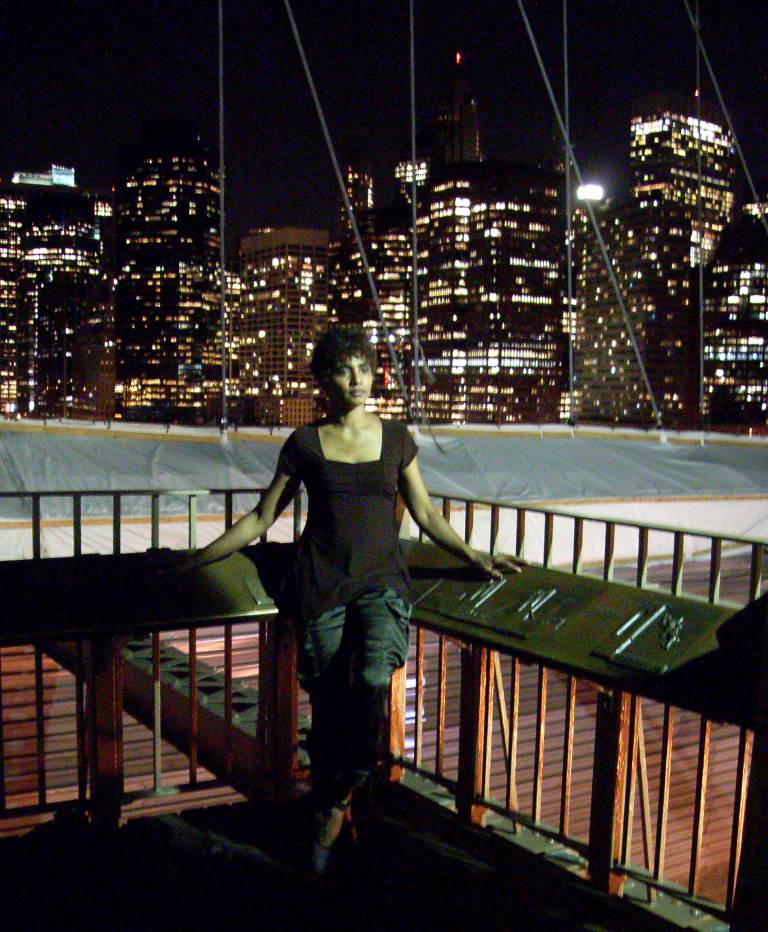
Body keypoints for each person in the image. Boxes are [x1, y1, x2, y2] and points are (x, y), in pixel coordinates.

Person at [179, 326, 523, 871]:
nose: (358, 378)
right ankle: (326, 810)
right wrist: (201, 557)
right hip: (320, 583)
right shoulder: (307, 444)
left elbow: (428, 515)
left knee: (368, 687)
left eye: (364, 366)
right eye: (345, 368)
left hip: (381, 583)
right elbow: (264, 516)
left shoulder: (395, 439)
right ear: (323, 380)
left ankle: (335, 806)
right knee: (331, 706)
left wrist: (476, 557)